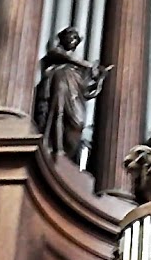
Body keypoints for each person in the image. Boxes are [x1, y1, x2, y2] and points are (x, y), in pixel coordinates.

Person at [36, 27, 108, 162]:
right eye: (70, 36)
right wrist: (87, 65)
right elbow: (57, 53)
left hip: (75, 98)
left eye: (75, 38)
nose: (72, 39)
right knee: (58, 113)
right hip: (60, 87)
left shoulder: (77, 71)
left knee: (78, 123)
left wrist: (100, 79)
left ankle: (66, 153)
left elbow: (87, 92)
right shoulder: (59, 58)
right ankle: (58, 149)